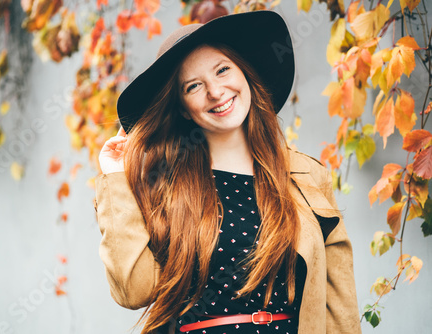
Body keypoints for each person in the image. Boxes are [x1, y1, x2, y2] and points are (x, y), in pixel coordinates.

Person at [94, 10, 361, 334]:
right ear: (181, 107)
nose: (216, 91)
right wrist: (114, 177)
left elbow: (339, 306)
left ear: (245, 74)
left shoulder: (306, 177)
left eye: (223, 70)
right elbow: (133, 290)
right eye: (194, 86)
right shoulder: (163, 186)